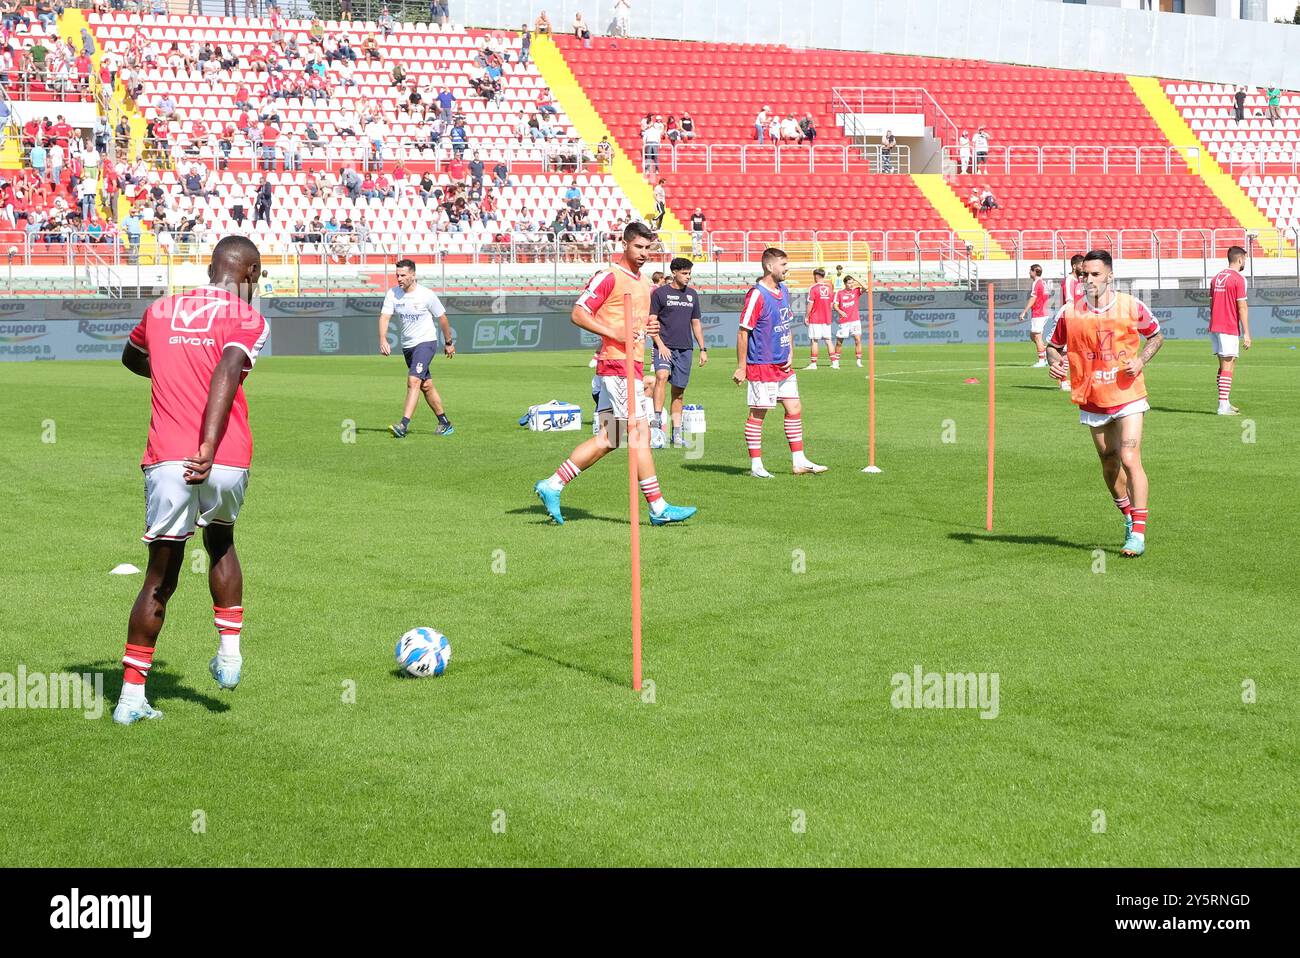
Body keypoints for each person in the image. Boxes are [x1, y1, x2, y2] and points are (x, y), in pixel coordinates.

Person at [114, 236, 270, 724]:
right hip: (224, 456)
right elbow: (228, 368)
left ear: (210, 267)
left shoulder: (160, 310)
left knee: (160, 576)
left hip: (169, 458)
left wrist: (170, 375)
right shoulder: (248, 316)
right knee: (221, 542)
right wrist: (208, 445)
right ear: (250, 273)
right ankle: (229, 655)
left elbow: (130, 357)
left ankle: (130, 701)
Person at [533, 222, 696, 526]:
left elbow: (639, 324)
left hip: (629, 364)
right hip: (616, 365)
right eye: (639, 247)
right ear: (624, 244)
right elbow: (578, 313)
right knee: (641, 434)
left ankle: (552, 485)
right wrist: (614, 332)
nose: (645, 253)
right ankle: (658, 508)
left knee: (611, 437)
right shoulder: (608, 276)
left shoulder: (645, 283)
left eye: (649, 248)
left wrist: (648, 329)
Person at [1045, 249, 1163, 558]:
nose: (1089, 280)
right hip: (1093, 397)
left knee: (1129, 455)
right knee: (1109, 463)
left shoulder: (1131, 306)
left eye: (1095, 274)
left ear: (1109, 275)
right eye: (1084, 274)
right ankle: (1127, 517)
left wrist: (1141, 361)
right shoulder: (1069, 312)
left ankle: (1138, 533)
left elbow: (1156, 337)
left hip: (1128, 394)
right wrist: (1055, 362)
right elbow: (1053, 347)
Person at [736, 248, 827, 479]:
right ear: (770, 266)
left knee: (794, 409)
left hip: (783, 364)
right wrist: (741, 366)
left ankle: (799, 461)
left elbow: (785, 325)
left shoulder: (783, 290)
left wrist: (790, 351)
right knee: (758, 413)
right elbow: (743, 332)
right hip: (762, 363)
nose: (788, 269)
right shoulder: (756, 294)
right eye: (784, 265)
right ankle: (756, 465)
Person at [378, 258, 456, 438]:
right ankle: (445, 423)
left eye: (403, 275)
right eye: (397, 275)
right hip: (408, 347)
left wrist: (449, 342)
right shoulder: (392, 294)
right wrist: (383, 339)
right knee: (426, 386)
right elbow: (384, 317)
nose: (399, 278)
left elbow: (442, 318)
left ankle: (403, 425)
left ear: (413, 275)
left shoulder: (426, 294)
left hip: (426, 343)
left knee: (413, 381)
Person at [648, 257, 706, 448]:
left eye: (689, 273)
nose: (688, 277)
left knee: (678, 393)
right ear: (674, 272)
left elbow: (696, 323)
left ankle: (677, 433)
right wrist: (660, 344)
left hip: (685, 348)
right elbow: (652, 322)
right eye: (684, 273)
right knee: (661, 376)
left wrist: (703, 349)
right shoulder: (659, 294)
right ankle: (656, 426)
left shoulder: (692, 295)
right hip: (663, 347)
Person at [1208, 245, 1251, 415]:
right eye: (1245, 259)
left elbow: (1211, 304)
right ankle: (1222, 406)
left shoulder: (1216, 277)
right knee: (1227, 363)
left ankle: (1225, 401)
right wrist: (1247, 332)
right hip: (1227, 326)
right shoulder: (1239, 279)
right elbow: (1242, 307)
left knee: (1227, 363)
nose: (1245, 262)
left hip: (1215, 325)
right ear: (1240, 259)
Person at [1057, 254, 1086, 391]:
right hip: (1070, 317)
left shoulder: (1080, 281)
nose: (1083, 267)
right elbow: (1069, 301)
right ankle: (1063, 381)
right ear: (1074, 266)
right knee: (1065, 351)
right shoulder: (1069, 280)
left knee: (1077, 350)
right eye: (1081, 265)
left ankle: (1075, 379)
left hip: (1079, 318)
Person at [1019, 264, 1051, 367]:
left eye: (1030, 271)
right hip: (1044, 312)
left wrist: (1024, 311)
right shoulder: (1043, 282)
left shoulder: (1036, 283)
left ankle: (1042, 360)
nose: (1029, 272)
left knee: (1037, 337)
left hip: (1039, 313)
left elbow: (1033, 298)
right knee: (1033, 336)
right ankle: (1045, 352)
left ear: (1034, 272)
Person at [804, 267, 834, 369]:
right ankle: (834, 363)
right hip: (827, 318)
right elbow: (831, 304)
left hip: (815, 318)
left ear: (816, 276)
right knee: (828, 340)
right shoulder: (830, 288)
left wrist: (807, 316)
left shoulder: (813, 288)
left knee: (814, 341)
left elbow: (810, 303)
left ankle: (813, 364)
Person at [832, 274, 864, 368]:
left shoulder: (856, 291)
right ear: (845, 284)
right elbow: (835, 305)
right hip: (844, 321)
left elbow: (866, 287)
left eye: (852, 282)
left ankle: (858, 361)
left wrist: (856, 279)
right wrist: (840, 311)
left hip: (855, 320)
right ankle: (836, 361)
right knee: (839, 342)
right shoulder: (840, 293)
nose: (851, 284)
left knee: (858, 340)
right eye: (849, 283)